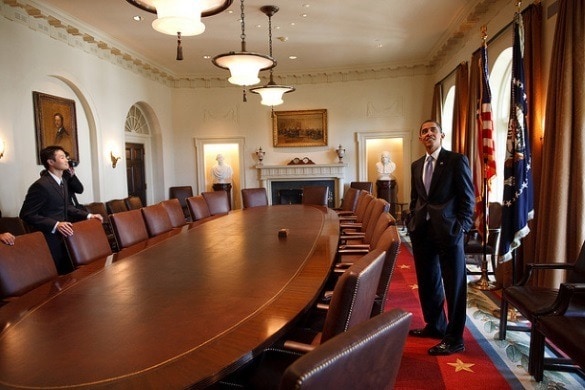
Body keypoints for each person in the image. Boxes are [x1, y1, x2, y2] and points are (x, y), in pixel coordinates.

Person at [406, 120, 474, 356]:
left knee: (454, 284)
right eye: (424, 131)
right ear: (420, 138)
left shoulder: (456, 160)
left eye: (432, 130)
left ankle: (455, 338)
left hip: (449, 232)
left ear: (442, 135)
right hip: (422, 232)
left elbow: (468, 198)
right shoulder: (416, 165)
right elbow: (415, 198)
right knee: (428, 281)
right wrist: (411, 220)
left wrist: (462, 227)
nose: (428, 134)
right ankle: (435, 325)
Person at [20, 145, 103, 274]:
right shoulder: (40, 185)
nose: (66, 160)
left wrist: (88, 216)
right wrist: (55, 224)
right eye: (62, 157)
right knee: (58, 276)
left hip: (64, 236)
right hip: (48, 239)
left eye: (66, 157)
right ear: (51, 162)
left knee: (71, 272)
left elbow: (67, 207)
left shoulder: (63, 182)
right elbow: (26, 214)